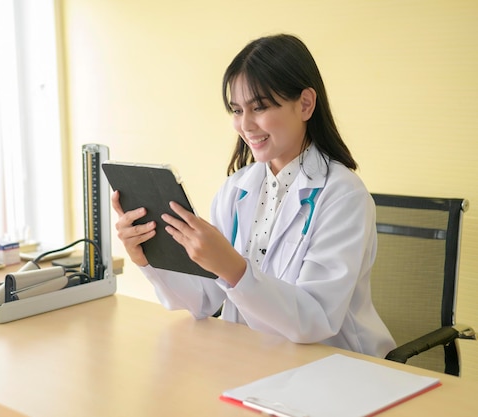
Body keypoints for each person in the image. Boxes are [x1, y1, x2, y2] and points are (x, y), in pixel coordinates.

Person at [111, 34, 395, 358]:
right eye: (236, 110)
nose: (244, 125)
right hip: (253, 359)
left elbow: (316, 319)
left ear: (305, 104)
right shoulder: (235, 190)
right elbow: (203, 300)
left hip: (335, 365)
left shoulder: (344, 196)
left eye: (259, 107)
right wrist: (146, 256)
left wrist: (234, 269)